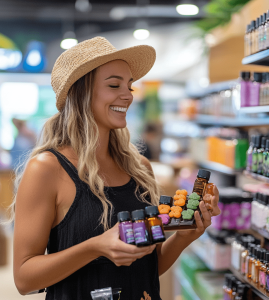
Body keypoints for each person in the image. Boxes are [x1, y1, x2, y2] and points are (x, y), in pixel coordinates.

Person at [11, 37, 221, 300]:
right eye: (114, 85)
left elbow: (149, 268)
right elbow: (23, 278)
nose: (127, 95)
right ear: (81, 93)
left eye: (129, 86)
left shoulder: (139, 168)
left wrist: (186, 234)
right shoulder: (47, 168)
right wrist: (96, 247)